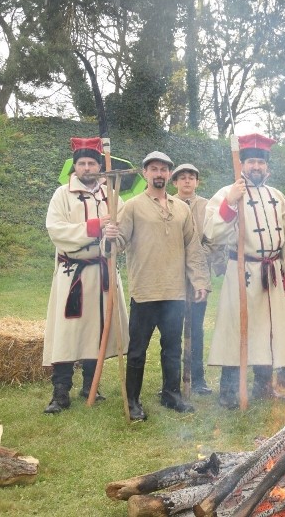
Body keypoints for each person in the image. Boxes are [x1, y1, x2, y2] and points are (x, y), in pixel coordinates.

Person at [103, 151, 210, 421]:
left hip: (174, 291)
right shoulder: (132, 206)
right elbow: (117, 246)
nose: (159, 173)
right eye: (154, 169)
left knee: (172, 347)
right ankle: (133, 400)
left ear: (168, 174)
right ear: (145, 173)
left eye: (163, 169)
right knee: (138, 349)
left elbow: (193, 248)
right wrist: (109, 237)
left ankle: (171, 393)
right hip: (146, 290)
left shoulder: (182, 208)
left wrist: (199, 279)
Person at [204, 133, 285, 408]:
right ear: (242, 164)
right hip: (242, 271)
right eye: (251, 162)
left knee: (268, 330)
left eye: (260, 162)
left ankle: (262, 387)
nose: (256, 167)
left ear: (267, 167)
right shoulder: (227, 192)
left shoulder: (277, 196)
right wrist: (231, 203)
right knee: (237, 329)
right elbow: (212, 233)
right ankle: (229, 392)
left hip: (270, 274)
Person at [42, 137, 129, 414]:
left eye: (92, 163)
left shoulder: (113, 197)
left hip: (103, 273)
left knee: (99, 328)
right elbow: (56, 230)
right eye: (82, 163)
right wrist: (94, 226)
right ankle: (60, 393)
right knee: (68, 333)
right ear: (75, 166)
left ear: (100, 167)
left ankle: (91, 385)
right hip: (73, 275)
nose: (87, 168)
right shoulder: (61, 194)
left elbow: (125, 234)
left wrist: (114, 236)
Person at [171, 163, 226, 395]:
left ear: (197, 182)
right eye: (182, 178)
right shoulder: (168, 204)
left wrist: (196, 258)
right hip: (172, 276)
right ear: (175, 182)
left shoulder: (207, 206)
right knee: (172, 329)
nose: (186, 181)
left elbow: (214, 238)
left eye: (191, 178)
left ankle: (198, 378)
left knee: (196, 328)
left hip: (199, 276)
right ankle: (172, 380)